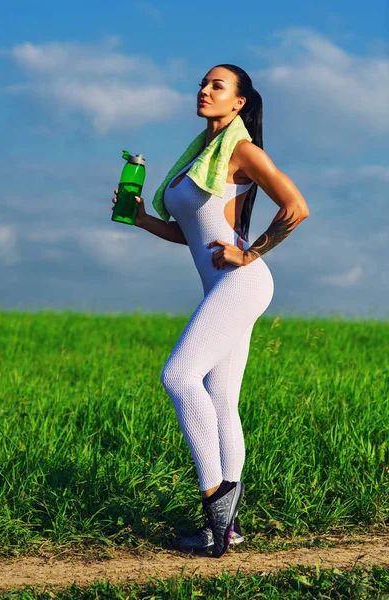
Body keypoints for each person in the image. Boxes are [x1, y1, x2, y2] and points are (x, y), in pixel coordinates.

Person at [112, 64, 309, 558]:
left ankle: (216, 501)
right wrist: (141, 220)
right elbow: (190, 234)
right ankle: (229, 526)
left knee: (179, 376)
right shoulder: (199, 156)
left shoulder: (242, 150)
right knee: (220, 397)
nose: (204, 89)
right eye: (202, 83)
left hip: (242, 282)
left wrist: (250, 252)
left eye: (217, 86)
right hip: (220, 284)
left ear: (239, 102)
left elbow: (296, 207)